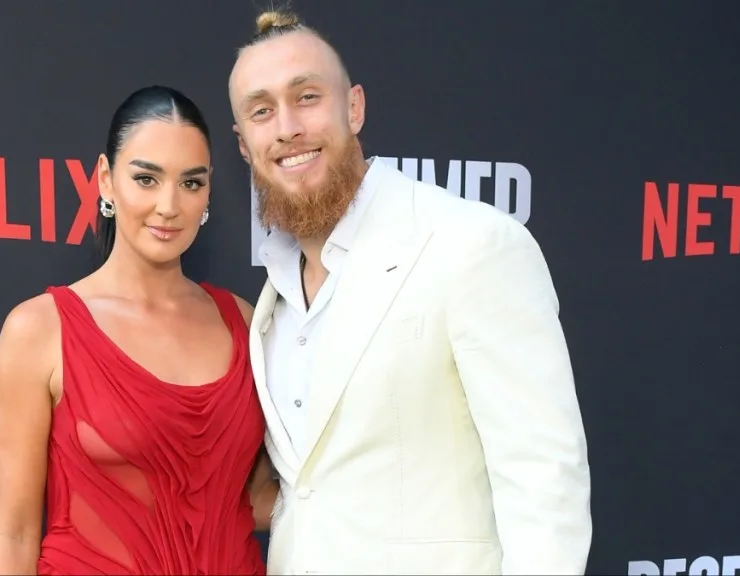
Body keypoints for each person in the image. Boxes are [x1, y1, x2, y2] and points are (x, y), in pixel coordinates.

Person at [228, 9, 592, 576]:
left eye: (307, 97)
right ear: (245, 145)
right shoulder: (273, 299)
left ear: (354, 108)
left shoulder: (471, 244)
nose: (287, 127)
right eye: (261, 111)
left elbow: (544, 479)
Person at [0, 85, 275, 576]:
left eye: (191, 182)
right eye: (146, 179)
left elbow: (257, 497)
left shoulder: (246, 322)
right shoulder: (39, 331)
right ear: (106, 179)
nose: (168, 205)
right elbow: (14, 532)